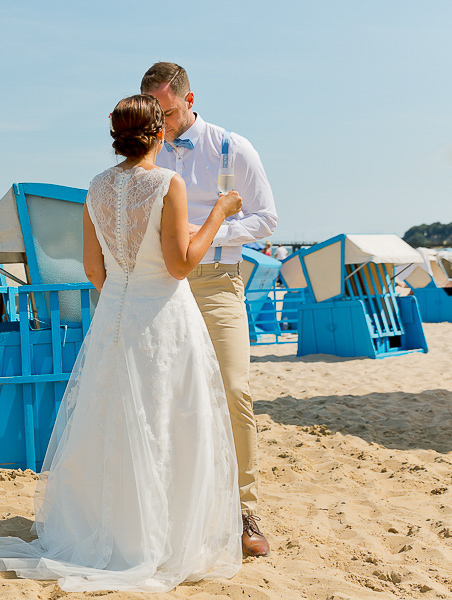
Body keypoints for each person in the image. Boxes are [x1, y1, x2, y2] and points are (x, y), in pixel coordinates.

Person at [0, 95, 244, 593]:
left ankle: (117, 531)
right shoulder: (169, 182)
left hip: (114, 317)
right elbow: (181, 264)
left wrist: (125, 289)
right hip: (163, 316)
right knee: (168, 420)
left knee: (112, 422)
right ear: (160, 133)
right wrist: (221, 215)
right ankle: (159, 542)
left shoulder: (96, 188)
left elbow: (94, 270)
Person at [141, 62, 277, 557]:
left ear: (190, 98)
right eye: (156, 114)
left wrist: (209, 235)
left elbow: (266, 218)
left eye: (170, 112)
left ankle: (245, 508)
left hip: (218, 283)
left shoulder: (232, 148)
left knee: (234, 389)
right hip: (160, 285)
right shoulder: (146, 149)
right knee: (164, 395)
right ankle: (172, 506)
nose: (164, 123)